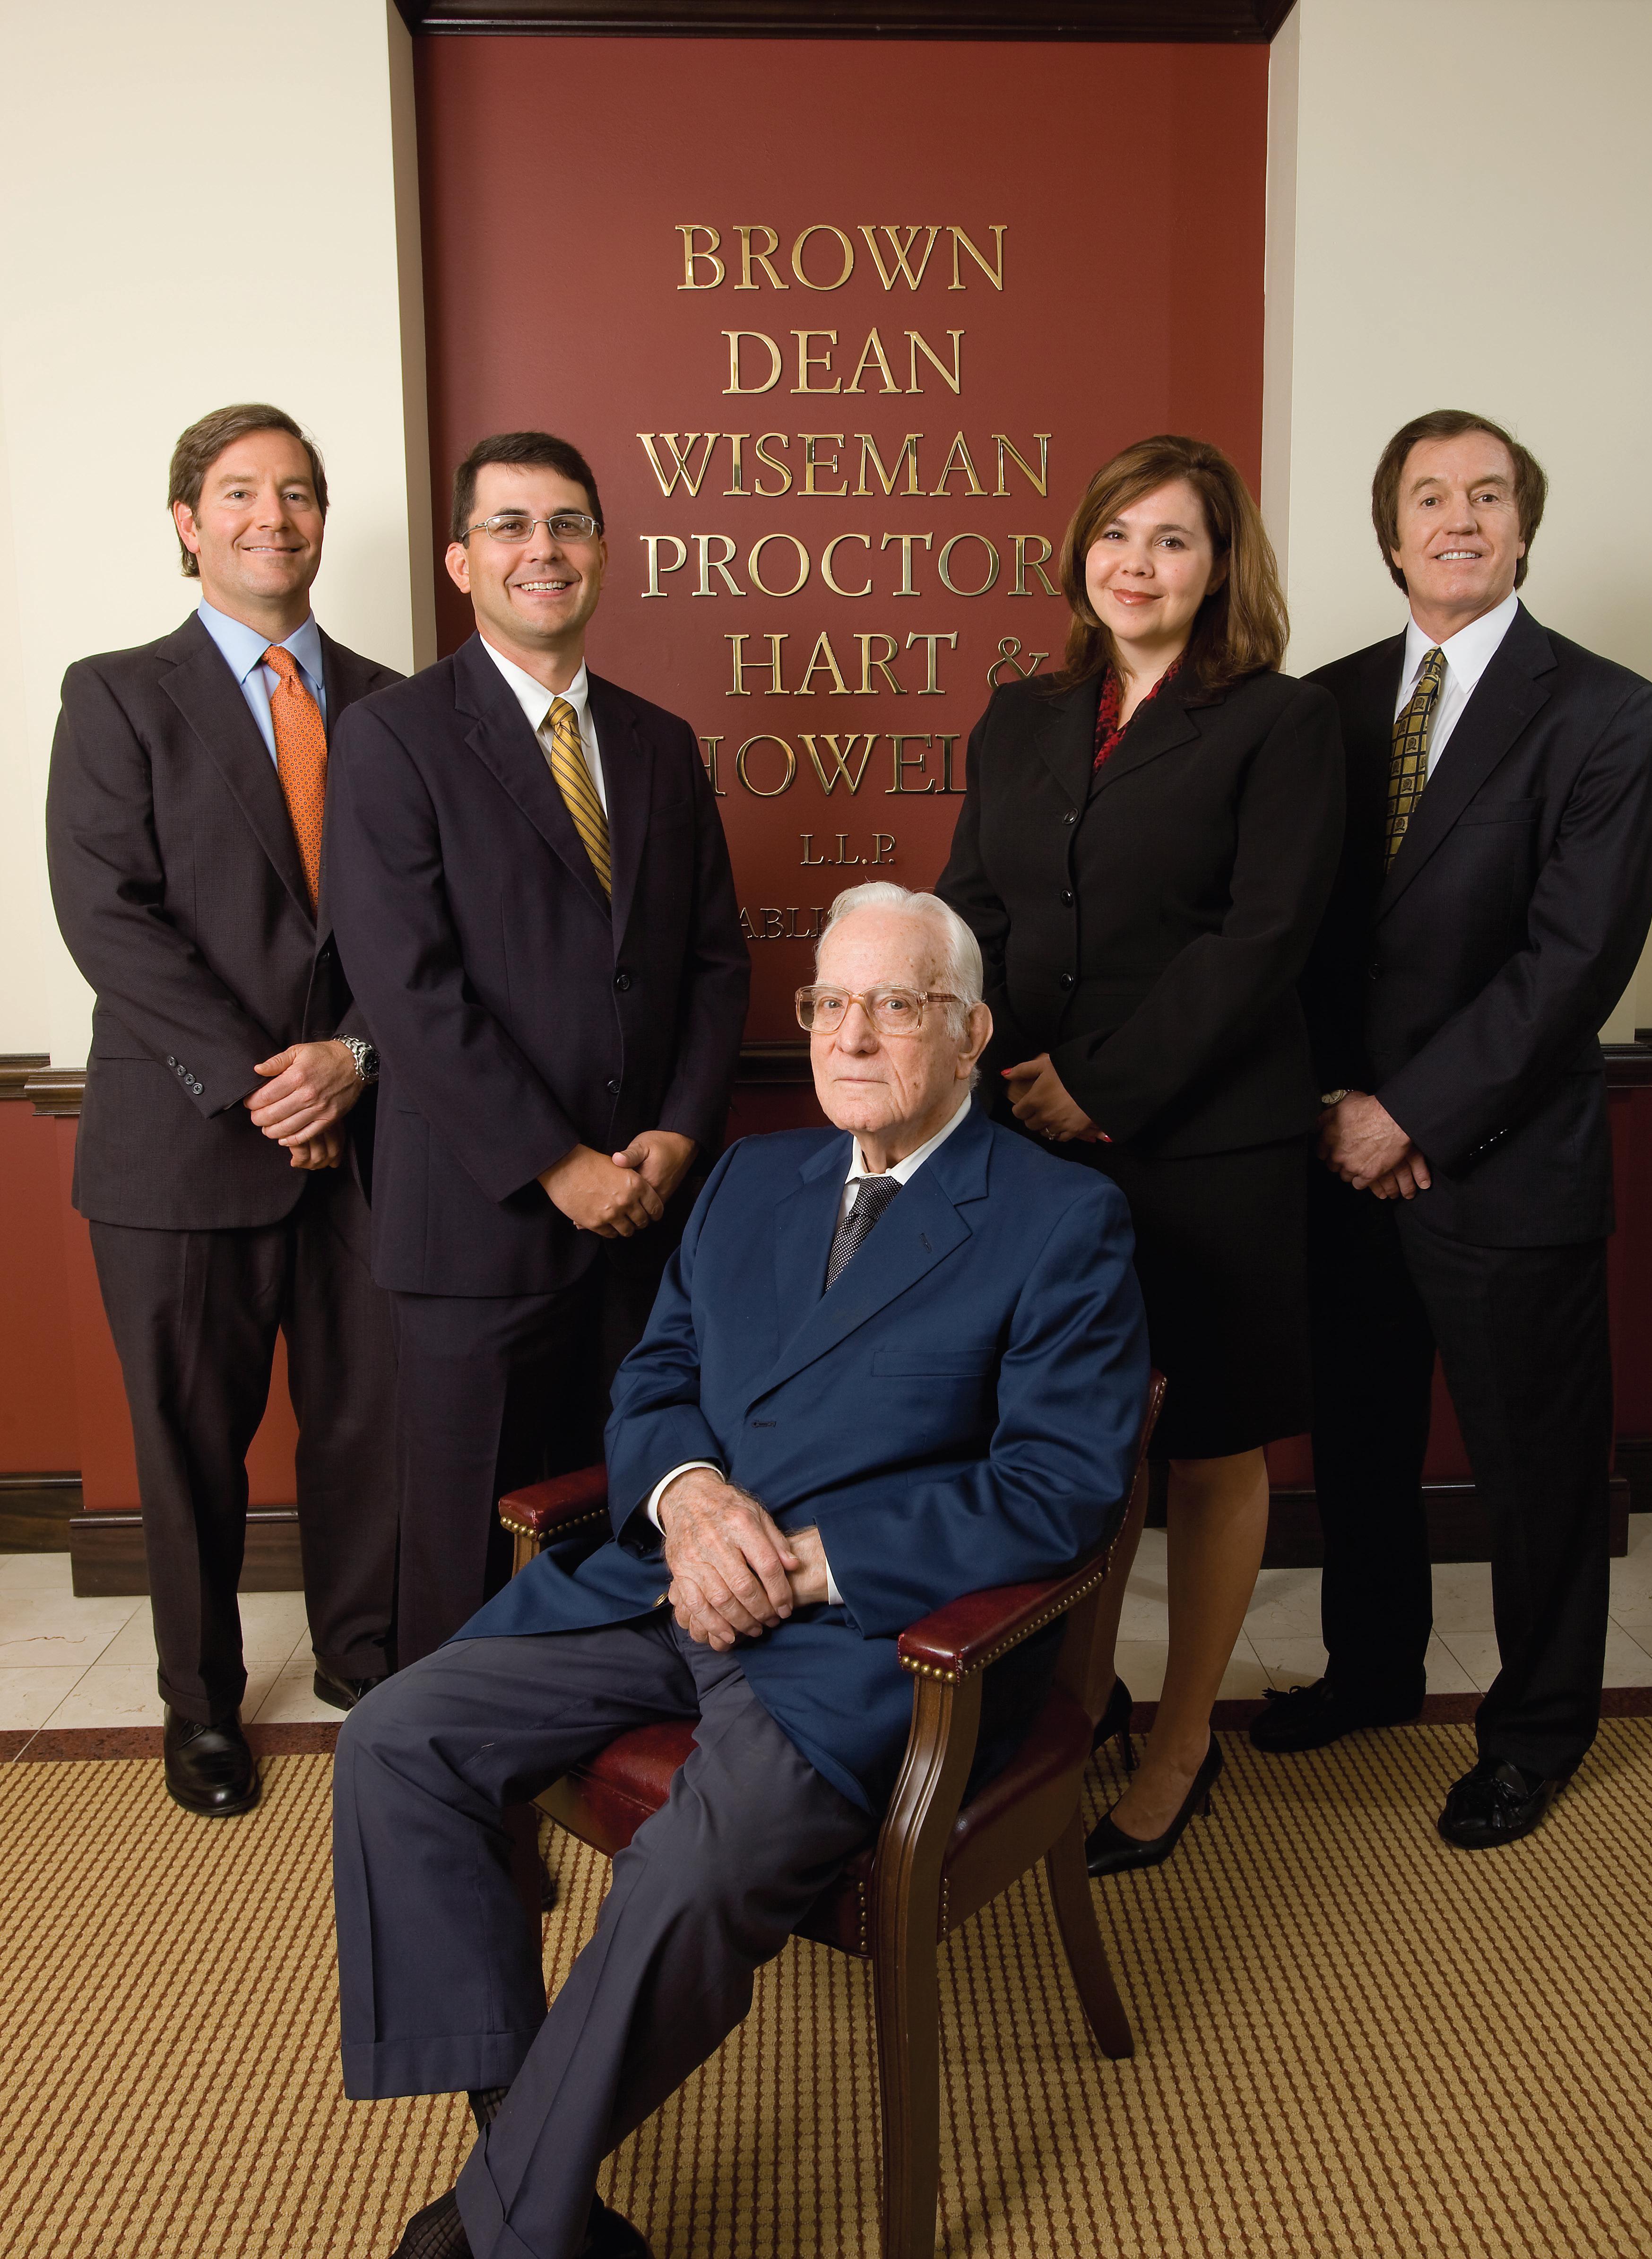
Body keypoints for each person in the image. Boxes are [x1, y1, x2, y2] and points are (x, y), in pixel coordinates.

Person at [333, 883, 1150, 2259]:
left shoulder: (1062, 1219)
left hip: (869, 1638)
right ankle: (527, 2154)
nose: (853, 1035)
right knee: (397, 1736)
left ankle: (495, 2226)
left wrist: (818, 1564)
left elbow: (1058, 1487)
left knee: (691, 1869)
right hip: (670, 1578)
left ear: (970, 1034)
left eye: (897, 1005)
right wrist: (690, 1495)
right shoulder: (752, 1176)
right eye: (830, 1003)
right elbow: (656, 1376)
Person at [1254, 409, 1652, 1849]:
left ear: (1523, 527)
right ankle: (1372, 1673)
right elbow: (1291, 935)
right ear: (1390, 535)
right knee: (1363, 1446)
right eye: (1430, 497)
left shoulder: (1609, 713)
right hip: (1337, 1157)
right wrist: (1333, 1110)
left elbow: (1573, 963)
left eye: (1489, 495)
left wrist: (1411, 1115)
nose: (1460, 519)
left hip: (1505, 1165)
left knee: (1538, 1476)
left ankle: (1537, 1733)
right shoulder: (1325, 706)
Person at [937, 434, 1345, 1877]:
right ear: (1081, 554)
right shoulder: (1024, 714)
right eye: (1116, 534)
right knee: (1055, 1428)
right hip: (1027, 1133)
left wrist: (1100, 1089)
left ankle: (1180, 1746)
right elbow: (971, 910)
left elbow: (1263, 938)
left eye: (1172, 539)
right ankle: (1073, 1696)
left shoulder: (1282, 722)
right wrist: (993, 1075)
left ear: (1219, 566)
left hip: (1207, 1141)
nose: (1137, 563)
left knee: (1212, 1440)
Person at [325, 431, 750, 1670]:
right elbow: (407, 990)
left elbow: (713, 961)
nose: (542, 549)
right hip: (481, 1221)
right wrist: (558, 1165)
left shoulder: (661, 742)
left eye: (568, 523)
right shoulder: (393, 737)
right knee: (465, 1545)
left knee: (630, 1524)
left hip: (648, 1217)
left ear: (603, 553)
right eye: (509, 525)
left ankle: (597, 1746)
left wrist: (677, 1133)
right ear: (462, 561)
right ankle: (450, 1778)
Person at [45, 403, 400, 1818]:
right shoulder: (117, 695)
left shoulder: (396, 705)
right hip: (184, 1142)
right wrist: (270, 1083)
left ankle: (367, 1657)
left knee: (370, 1419)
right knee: (187, 1442)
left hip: (370, 1134)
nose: (274, 516)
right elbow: (107, 916)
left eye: (298, 491)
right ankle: (198, 1703)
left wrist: (353, 1057)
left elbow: (439, 922)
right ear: (189, 523)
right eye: (241, 492)